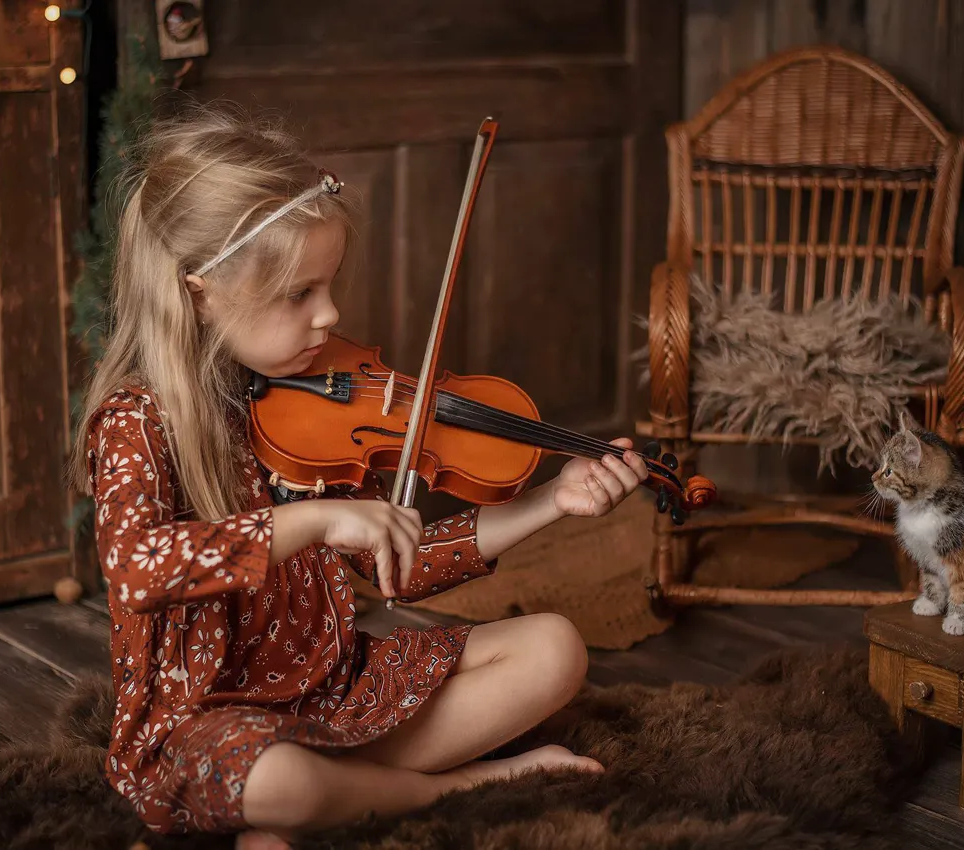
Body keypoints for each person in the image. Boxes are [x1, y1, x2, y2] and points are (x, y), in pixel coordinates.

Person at [68, 101, 650, 848]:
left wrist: (546, 503)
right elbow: (136, 570)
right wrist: (310, 520)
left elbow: (394, 569)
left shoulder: (309, 404)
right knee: (279, 778)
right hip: (200, 731)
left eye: (329, 284)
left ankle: (331, 801)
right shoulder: (137, 422)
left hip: (332, 692)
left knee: (554, 648)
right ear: (197, 291)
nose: (331, 314)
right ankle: (455, 785)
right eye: (299, 294)